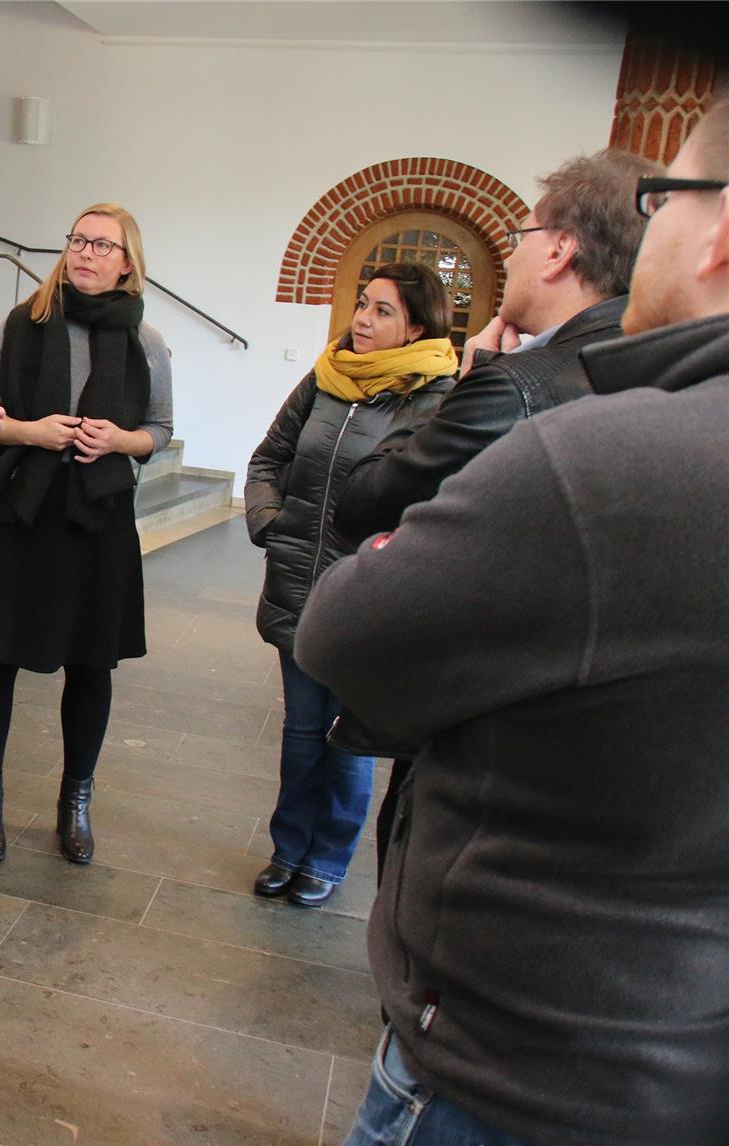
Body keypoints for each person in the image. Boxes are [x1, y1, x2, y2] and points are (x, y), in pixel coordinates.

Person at [301, 100, 729, 1146]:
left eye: (666, 195)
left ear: (717, 232)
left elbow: (345, 628)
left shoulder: (612, 459)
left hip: (521, 1059)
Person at [332, 148, 658, 878]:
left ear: (559, 251)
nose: (508, 258)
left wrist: (464, 385)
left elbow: (364, 500)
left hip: (480, 726)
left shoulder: (515, 384)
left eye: (518, 239)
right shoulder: (648, 361)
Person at [0, 203, 174, 865]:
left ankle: (75, 803)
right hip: (26, 509)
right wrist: (31, 431)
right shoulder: (24, 323)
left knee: (90, 662)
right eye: (78, 240)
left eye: (102, 245)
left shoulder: (147, 342)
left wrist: (122, 440)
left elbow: (159, 431)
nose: (85, 252)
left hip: (99, 519)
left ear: (127, 261)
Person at [242, 263, 456, 908]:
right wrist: (269, 525)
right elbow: (267, 459)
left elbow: (435, 496)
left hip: (365, 595)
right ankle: (287, 849)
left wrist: (390, 563)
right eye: (362, 305)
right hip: (297, 580)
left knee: (348, 737)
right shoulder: (326, 377)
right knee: (303, 729)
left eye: (382, 311)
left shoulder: (437, 396)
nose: (361, 320)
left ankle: (329, 858)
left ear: (417, 326)